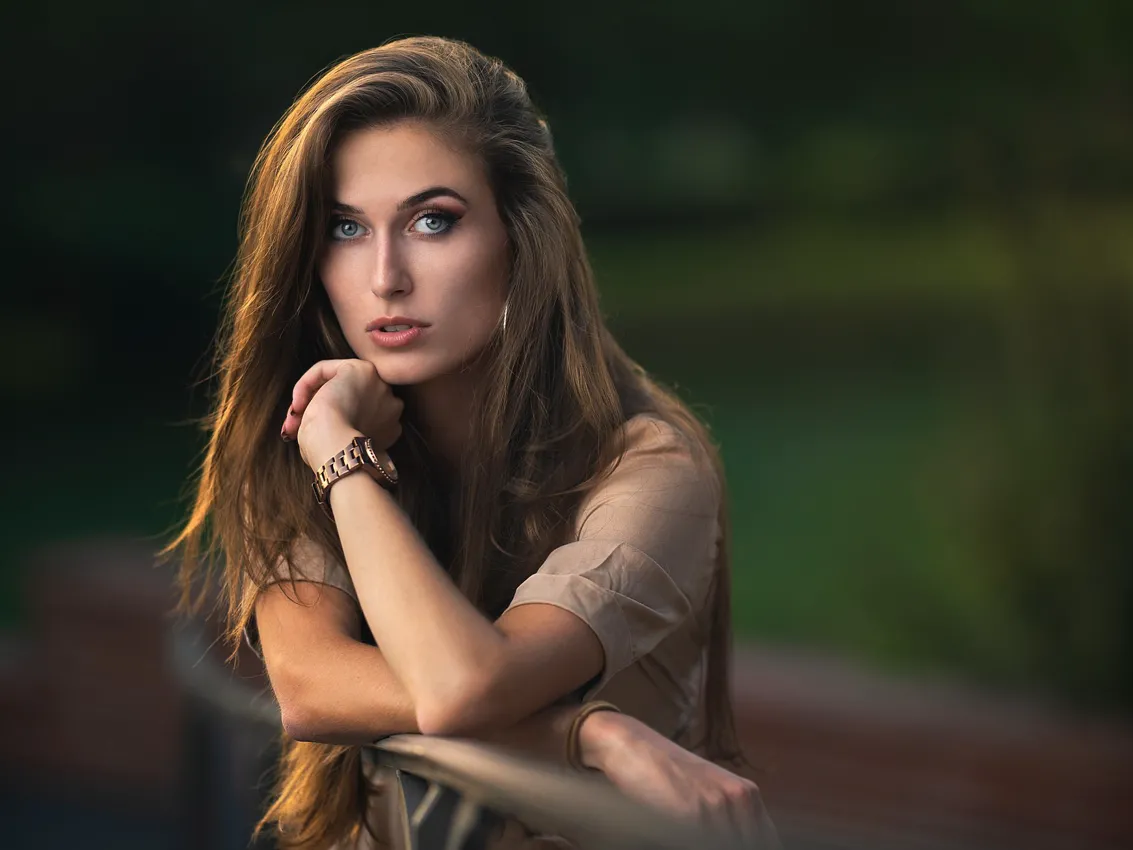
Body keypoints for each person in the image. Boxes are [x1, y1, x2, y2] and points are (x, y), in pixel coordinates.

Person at [162, 35, 779, 850]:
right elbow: (311, 686)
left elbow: (460, 688)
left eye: (431, 221)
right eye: (346, 228)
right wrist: (591, 733)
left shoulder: (650, 467)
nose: (386, 276)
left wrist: (340, 461)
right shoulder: (305, 429)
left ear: (520, 239)